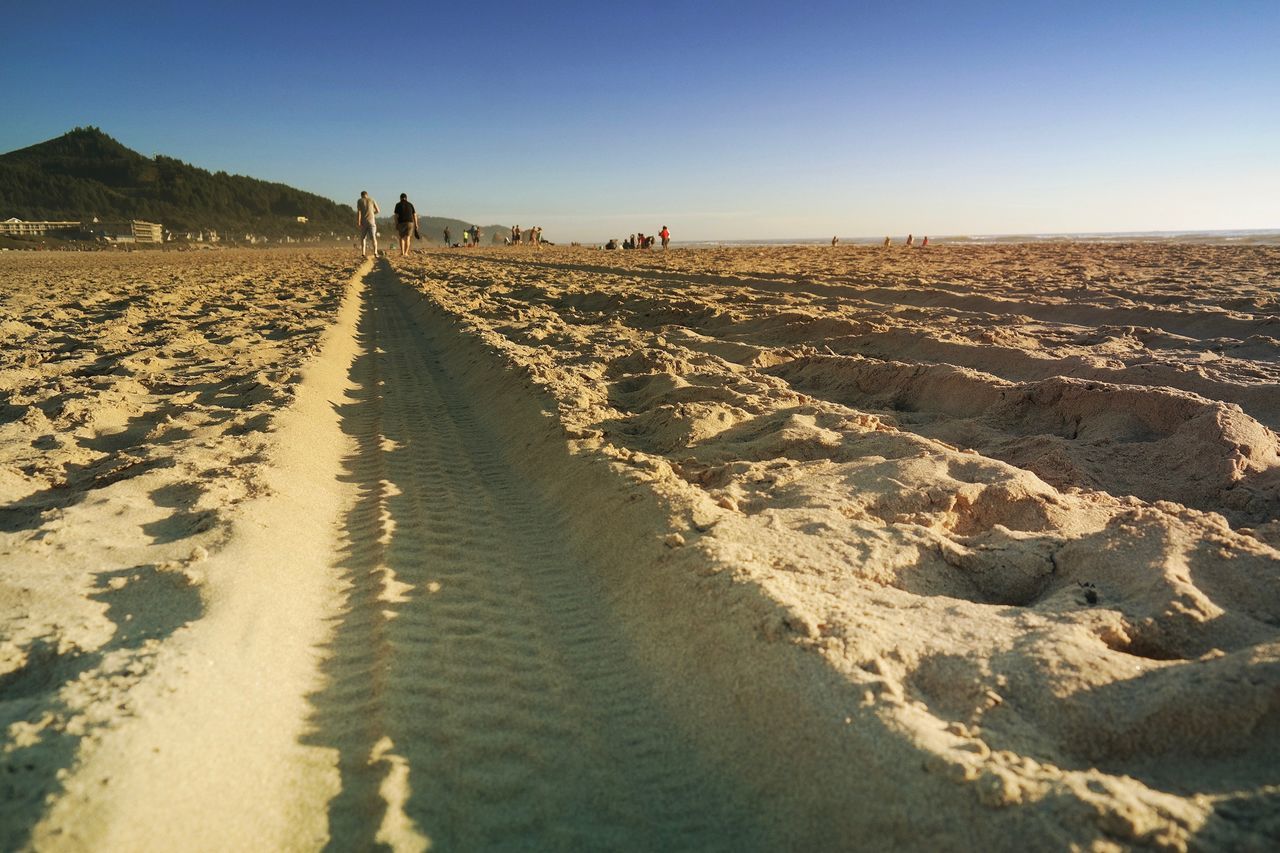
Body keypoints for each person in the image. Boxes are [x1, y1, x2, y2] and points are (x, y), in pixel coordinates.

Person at [356, 191, 379, 257]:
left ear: (361, 195)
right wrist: (372, 213)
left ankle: (363, 253)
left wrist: (359, 222)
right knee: (373, 237)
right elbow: (378, 211)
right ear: (367, 195)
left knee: (363, 238)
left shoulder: (360, 201)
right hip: (371, 221)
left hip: (364, 222)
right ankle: (375, 252)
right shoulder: (372, 200)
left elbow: (359, 212)